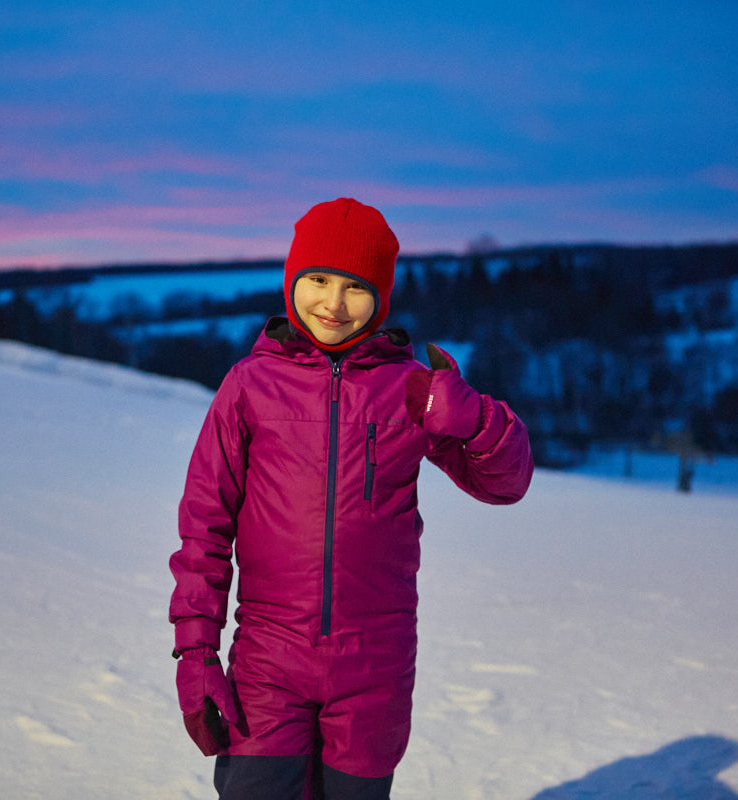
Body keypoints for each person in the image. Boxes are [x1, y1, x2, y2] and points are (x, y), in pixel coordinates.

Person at [169, 197, 533, 799]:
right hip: (268, 662)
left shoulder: (410, 389)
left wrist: (474, 420)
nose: (333, 304)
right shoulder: (250, 387)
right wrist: (195, 652)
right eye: (317, 280)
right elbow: (205, 526)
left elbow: (505, 483)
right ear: (292, 281)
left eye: (355, 287)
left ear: (381, 297)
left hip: (375, 670)